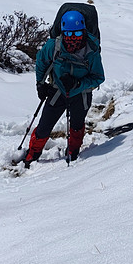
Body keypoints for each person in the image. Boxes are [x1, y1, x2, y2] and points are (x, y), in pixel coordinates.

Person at [21, 10, 105, 167]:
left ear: (84, 30)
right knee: (45, 125)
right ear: (63, 32)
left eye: (78, 32)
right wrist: (40, 84)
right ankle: (33, 152)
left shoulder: (91, 50)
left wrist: (78, 84)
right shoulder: (53, 46)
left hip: (81, 94)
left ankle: (73, 150)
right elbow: (41, 62)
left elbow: (98, 77)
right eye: (69, 33)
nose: (74, 37)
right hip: (57, 91)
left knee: (77, 125)